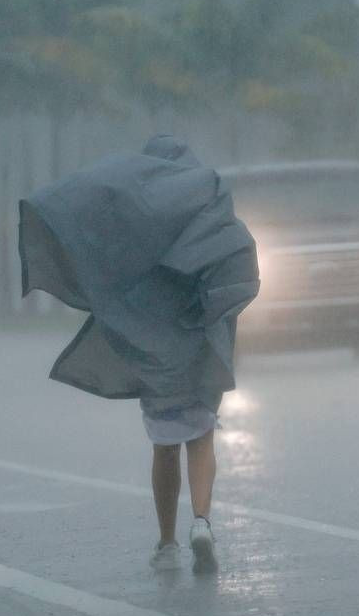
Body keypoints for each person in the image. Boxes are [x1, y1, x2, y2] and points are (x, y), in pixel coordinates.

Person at [18, 135, 259, 573]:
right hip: (201, 344)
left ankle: (167, 542)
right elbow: (233, 262)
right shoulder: (207, 202)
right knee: (202, 436)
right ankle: (202, 522)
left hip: (155, 349)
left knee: (165, 444)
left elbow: (106, 265)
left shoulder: (135, 219)